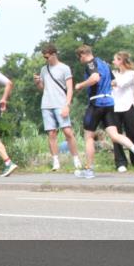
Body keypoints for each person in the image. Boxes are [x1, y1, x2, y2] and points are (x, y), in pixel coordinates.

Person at [73, 45, 134, 179]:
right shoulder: (104, 63)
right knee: (114, 134)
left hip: (96, 103)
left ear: (83, 54)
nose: (79, 60)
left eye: (79, 57)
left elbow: (95, 78)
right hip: (110, 103)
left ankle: (89, 169)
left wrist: (80, 85)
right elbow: (113, 81)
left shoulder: (90, 64)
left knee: (89, 137)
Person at [33, 44, 82, 172]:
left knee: (67, 132)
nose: (46, 59)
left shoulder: (64, 68)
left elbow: (70, 88)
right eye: (44, 57)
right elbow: (43, 88)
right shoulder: (44, 69)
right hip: (46, 104)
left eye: (47, 57)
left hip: (60, 103)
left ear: (54, 54)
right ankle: (55, 161)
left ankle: (76, 159)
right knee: (51, 133)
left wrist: (67, 105)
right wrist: (38, 83)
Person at [111, 51, 134, 172]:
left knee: (132, 133)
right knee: (116, 135)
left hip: (128, 106)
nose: (113, 62)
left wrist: (112, 82)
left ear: (121, 61)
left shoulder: (131, 73)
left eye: (115, 59)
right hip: (115, 106)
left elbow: (121, 84)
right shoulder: (114, 73)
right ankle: (120, 162)